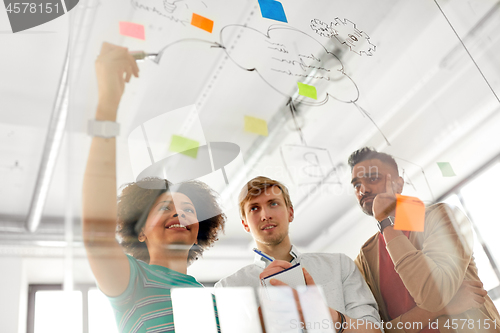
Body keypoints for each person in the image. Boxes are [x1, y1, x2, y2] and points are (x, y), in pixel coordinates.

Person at [82, 42, 225, 332]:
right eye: (165, 208)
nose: (181, 214)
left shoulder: (215, 303)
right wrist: (108, 104)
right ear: (142, 231)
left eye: (188, 209)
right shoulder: (132, 281)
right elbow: (96, 234)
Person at [349, 147, 500, 333]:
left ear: (398, 184)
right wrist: (443, 308)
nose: (363, 190)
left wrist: (385, 220)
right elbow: (377, 330)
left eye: (373, 178)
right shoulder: (365, 259)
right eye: (356, 185)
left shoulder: (443, 217)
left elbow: (433, 294)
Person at [215, 176, 383, 332]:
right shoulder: (227, 289)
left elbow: (375, 330)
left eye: (273, 203)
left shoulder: (339, 265)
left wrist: (329, 316)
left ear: (290, 213)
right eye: (254, 208)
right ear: (245, 224)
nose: (265, 215)